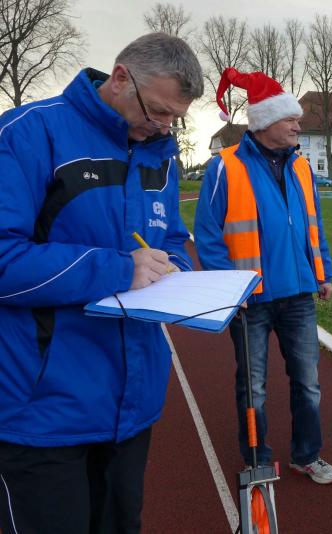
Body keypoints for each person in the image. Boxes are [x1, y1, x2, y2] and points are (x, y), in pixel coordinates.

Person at [0, 33, 203, 533]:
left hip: (131, 407)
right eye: (157, 110)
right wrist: (118, 269)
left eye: (175, 118)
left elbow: (170, 237)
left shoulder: (160, 151)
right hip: (43, 410)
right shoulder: (28, 132)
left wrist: (179, 272)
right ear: (119, 78)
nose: (164, 126)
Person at [194, 68, 332, 484]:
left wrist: (323, 272)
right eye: (290, 119)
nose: (298, 126)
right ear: (266, 121)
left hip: (299, 295)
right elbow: (208, 233)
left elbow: (314, 225)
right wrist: (229, 287)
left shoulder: (302, 168)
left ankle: (307, 455)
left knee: (308, 383)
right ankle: (257, 460)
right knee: (253, 387)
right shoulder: (224, 166)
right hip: (250, 300)